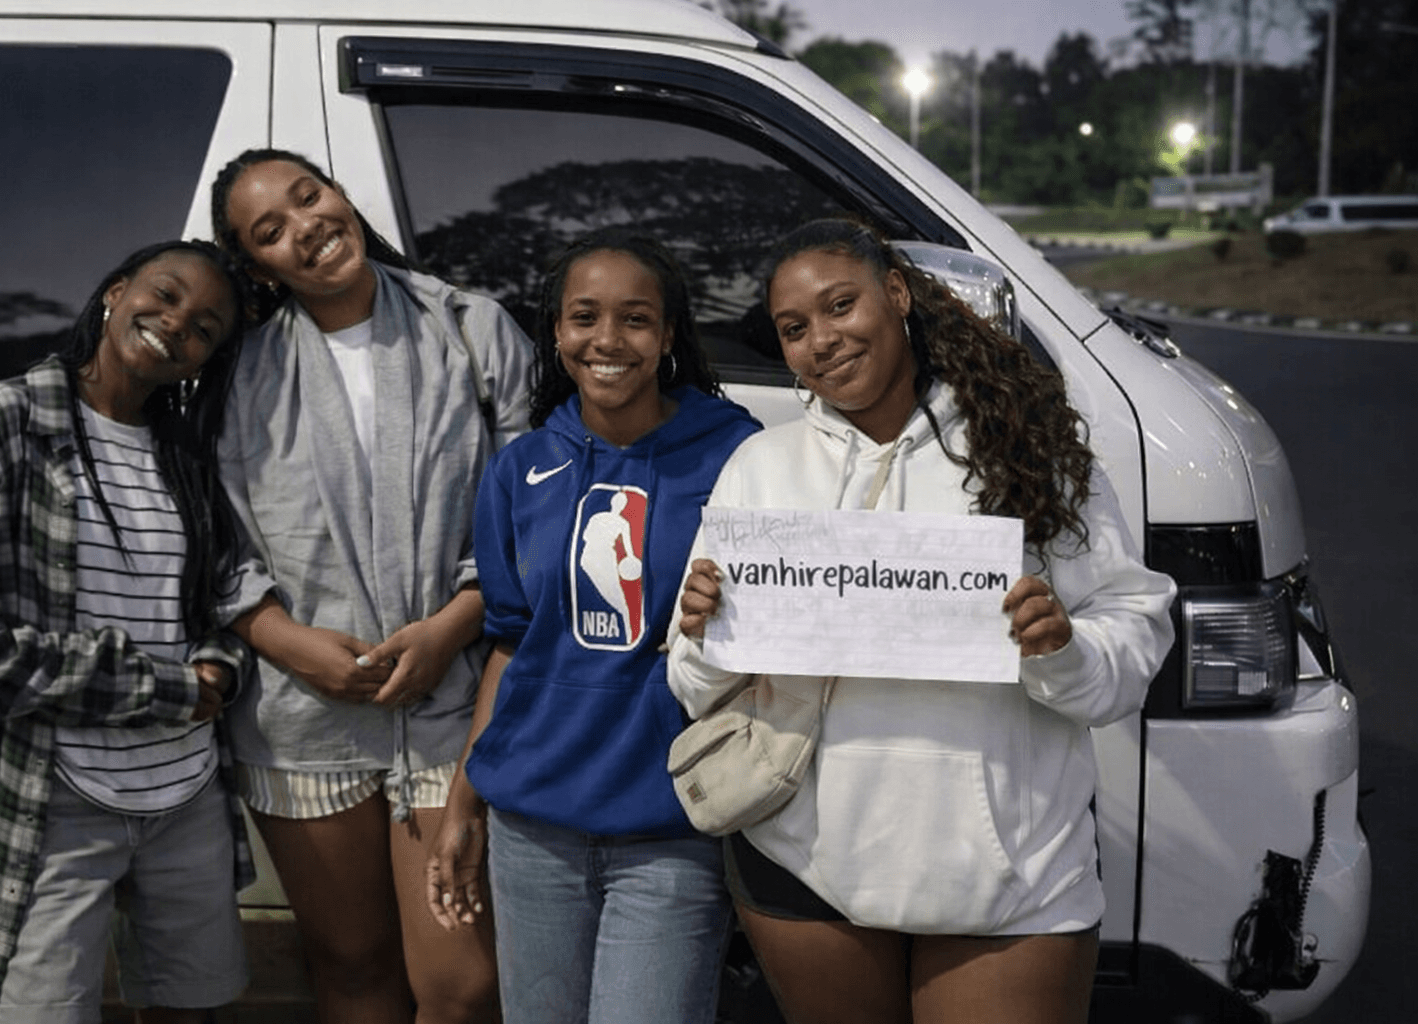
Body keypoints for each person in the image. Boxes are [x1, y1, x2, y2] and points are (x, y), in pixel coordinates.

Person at [668, 218, 1177, 1024]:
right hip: (802, 864)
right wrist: (702, 631)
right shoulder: (761, 468)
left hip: (1013, 873)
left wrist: (1061, 648)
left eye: (842, 306)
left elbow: (1133, 631)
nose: (822, 341)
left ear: (897, 295)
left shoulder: (1027, 449)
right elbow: (695, 684)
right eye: (795, 329)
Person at [209, 148, 533, 1024]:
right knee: (350, 969)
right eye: (270, 230)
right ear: (255, 265)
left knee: (463, 987)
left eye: (309, 197)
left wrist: (454, 626)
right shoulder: (239, 369)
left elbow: (526, 516)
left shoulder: (470, 328)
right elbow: (217, 533)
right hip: (303, 715)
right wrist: (285, 641)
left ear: (342, 192)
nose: (306, 227)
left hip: (451, 700)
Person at [0, 240, 265, 1023]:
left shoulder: (189, 456)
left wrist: (218, 668)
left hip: (185, 791)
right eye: (165, 296)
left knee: (192, 1007)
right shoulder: (3, 421)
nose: (177, 325)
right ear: (113, 292)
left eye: (204, 327)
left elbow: (222, 606)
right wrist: (166, 689)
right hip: (51, 790)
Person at [426, 229, 761, 1024]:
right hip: (531, 823)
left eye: (636, 319)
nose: (607, 340)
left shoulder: (736, 454)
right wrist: (464, 803)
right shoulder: (521, 468)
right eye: (585, 317)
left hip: (671, 822)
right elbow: (512, 646)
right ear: (556, 331)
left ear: (669, 333)